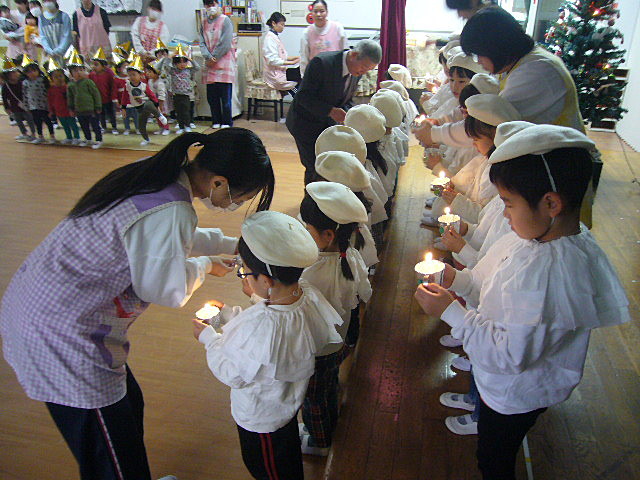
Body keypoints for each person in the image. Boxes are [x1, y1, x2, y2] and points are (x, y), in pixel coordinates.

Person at [0, 129, 275, 480]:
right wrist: (205, 266)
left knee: (129, 407)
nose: (235, 204)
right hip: (58, 330)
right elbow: (166, 290)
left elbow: (159, 240)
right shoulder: (172, 208)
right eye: (241, 196)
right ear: (220, 182)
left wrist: (230, 244)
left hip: (46, 300)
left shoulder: (157, 172)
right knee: (108, 449)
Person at [414, 122, 630, 479]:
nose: (504, 214)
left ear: (550, 203)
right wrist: (460, 280)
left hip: (515, 392)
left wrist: (452, 313)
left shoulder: (548, 274)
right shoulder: (535, 236)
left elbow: (509, 354)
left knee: (494, 458)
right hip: (501, 379)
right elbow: (492, 285)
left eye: (508, 203)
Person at [193, 210, 341, 479]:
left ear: (265, 280)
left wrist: (208, 339)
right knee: (286, 458)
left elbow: (233, 373)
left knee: (269, 470)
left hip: (260, 419)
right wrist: (227, 315)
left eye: (245, 273)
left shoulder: (263, 324)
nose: (244, 278)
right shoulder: (307, 295)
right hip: (285, 407)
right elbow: (267, 333)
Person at [298, 182, 372, 455]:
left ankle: (319, 441)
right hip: (337, 341)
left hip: (316, 349)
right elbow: (364, 292)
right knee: (328, 385)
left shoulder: (310, 271)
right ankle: (330, 414)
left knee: (313, 399)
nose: (303, 232)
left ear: (328, 235)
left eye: (307, 228)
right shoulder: (349, 256)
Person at [286, 39, 382, 184]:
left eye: (368, 70)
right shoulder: (322, 63)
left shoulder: (356, 69)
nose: (363, 72)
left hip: (326, 123)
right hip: (304, 122)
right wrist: (330, 111)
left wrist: (351, 114)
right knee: (315, 166)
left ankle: (327, 200)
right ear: (354, 55)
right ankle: (311, 203)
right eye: (363, 68)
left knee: (329, 165)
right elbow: (303, 96)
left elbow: (345, 98)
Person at [200, 0, 236, 129]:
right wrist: (208, 56)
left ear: (218, 4)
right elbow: (202, 42)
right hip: (210, 64)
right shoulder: (203, 22)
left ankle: (227, 122)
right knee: (212, 97)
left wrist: (214, 56)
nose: (210, 7)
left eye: (212, 4)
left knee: (225, 98)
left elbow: (225, 43)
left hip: (224, 63)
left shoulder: (225, 20)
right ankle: (216, 120)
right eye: (207, 5)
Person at [156, 45, 201, 134]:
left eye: (184, 62)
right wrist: (170, 57)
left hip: (186, 95)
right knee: (178, 112)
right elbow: (163, 66)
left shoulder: (188, 70)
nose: (182, 64)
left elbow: (197, 67)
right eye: (180, 62)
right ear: (175, 63)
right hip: (176, 95)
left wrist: (190, 59)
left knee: (186, 111)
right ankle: (181, 126)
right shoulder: (173, 71)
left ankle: (187, 126)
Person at [125, 55, 169, 146]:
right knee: (141, 125)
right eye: (130, 75)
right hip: (139, 108)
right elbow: (125, 96)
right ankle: (146, 139)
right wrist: (123, 107)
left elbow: (152, 95)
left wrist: (157, 104)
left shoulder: (144, 85)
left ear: (140, 75)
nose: (132, 77)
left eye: (134, 75)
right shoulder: (128, 85)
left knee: (148, 104)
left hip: (150, 104)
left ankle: (162, 121)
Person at [300, 0, 346, 75]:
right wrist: (304, 77)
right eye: (315, 11)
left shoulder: (337, 28)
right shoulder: (307, 32)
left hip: (334, 73)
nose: (318, 14)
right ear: (311, 13)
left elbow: (345, 55)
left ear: (327, 12)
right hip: (315, 74)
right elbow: (304, 58)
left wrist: (344, 75)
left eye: (322, 11)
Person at [66, 52, 102, 148]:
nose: (79, 72)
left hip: (91, 109)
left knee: (95, 126)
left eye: (81, 70)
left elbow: (96, 94)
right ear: (71, 73)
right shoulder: (71, 85)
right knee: (84, 126)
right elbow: (70, 98)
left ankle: (98, 140)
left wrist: (98, 106)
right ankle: (88, 139)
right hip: (79, 110)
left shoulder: (88, 82)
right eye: (75, 71)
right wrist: (71, 109)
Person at [262, 11, 300, 103]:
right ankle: (301, 103)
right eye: (282, 24)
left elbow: (284, 56)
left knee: (300, 75)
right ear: (274, 23)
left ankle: (300, 104)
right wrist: (292, 62)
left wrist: (297, 58)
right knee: (298, 81)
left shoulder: (274, 37)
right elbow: (272, 60)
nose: (283, 27)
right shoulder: (269, 39)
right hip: (274, 76)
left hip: (280, 71)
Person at [21, 56, 56, 144]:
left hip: (44, 105)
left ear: (38, 70)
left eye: (34, 70)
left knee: (47, 120)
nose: (32, 73)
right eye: (29, 72)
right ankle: (40, 136)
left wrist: (51, 105)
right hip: (33, 106)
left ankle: (52, 136)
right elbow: (24, 95)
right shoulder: (25, 82)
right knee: (37, 122)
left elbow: (49, 92)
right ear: (25, 73)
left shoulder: (42, 80)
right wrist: (26, 106)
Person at [47, 58, 81, 145]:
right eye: (56, 77)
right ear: (51, 79)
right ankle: (69, 137)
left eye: (60, 76)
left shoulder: (68, 87)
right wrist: (51, 111)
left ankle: (77, 137)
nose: (59, 78)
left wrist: (74, 109)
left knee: (73, 125)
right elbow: (50, 101)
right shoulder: (51, 90)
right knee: (65, 126)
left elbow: (73, 98)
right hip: (59, 112)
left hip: (69, 111)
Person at [1, 58, 35, 141]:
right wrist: (7, 108)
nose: (16, 74)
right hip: (14, 107)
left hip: (26, 105)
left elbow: (28, 93)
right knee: (19, 121)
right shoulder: (6, 86)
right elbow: (5, 98)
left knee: (30, 119)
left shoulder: (23, 82)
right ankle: (24, 133)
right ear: (8, 75)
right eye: (13, 73)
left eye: (16, 72)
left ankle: (33, 133)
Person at [89, 48, 119, 135]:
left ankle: (114, 127)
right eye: (93, 64)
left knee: (111, 113)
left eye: (96, 65)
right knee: (101, 114)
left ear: (104, 66)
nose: (94, 67)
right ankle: (104, 127)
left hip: (108, 98)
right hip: (98, 100)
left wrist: (113, 97)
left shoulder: (109, 73)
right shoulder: (92, 75)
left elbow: (113, 86)